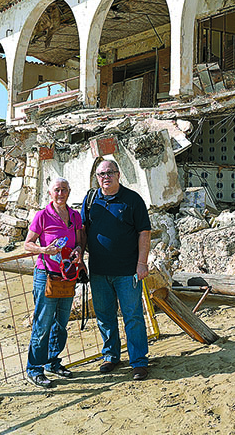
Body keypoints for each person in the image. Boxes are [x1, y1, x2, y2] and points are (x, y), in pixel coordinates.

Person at [81, 159, 152, 381]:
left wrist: (142, 263)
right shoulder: (90, 200)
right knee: (104, 316)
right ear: (97, 177)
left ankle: (138, 361)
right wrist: (80, 258)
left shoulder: (133, 200)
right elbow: (82, 230)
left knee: (133, 316)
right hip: (99, 271)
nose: (106, 177)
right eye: (101, 174)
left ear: (118, 174)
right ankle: (111, 356)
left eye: (110, 172)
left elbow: (144, 233)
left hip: (127, 271)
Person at [23, 177, 84, 388]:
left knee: (61, 323)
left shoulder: (75, 216)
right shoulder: (42, 216)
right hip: (46, 275)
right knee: (42, 324)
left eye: (64, 190)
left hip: (67, 276)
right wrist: (44, 250)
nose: (60, 193)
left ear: (69, 192)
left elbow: (79, 242)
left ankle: (52, 361)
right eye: (57, 190)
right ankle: (34, 369)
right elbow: (27, 244)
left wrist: (78, 251)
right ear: (50, 193)